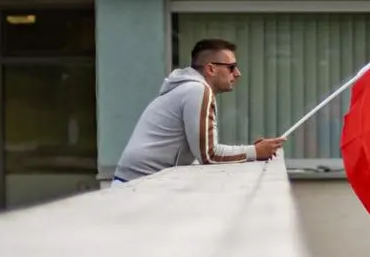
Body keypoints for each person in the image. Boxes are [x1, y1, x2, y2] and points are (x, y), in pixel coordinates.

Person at [110, 39, 285, 185]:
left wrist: (254, 150)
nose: (238, 74)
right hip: (138, 185)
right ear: (211, 69)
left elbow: (201, 154)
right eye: (231, 67)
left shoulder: (188, 88)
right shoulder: (198, 90)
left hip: (133, 182)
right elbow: (209, 155)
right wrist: (255, 151)